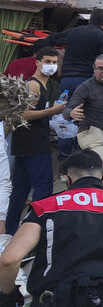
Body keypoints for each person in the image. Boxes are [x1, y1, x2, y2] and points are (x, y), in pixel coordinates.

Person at [0, 151, 103, 307]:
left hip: (54, 299)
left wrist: (8, 293)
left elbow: (9, 259)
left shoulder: (45, 208)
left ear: (67, 180)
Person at [6, 47, 63, 234]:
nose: (51, 66)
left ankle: (11, 231)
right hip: (33, 145)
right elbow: (22, 114)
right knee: (42, 188)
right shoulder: (34, 84)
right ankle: (33, 230)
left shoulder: (44, 84)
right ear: (37, 63)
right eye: (47, 62)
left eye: (54, 62)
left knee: (20, 190)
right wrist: (51, 112)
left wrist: (52, 122)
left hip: (29, 143)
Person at [62, 53, 103, 164]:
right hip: (92, 132)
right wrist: (71, 113)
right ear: (94, 69)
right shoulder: (85, 87)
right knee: (102, 163)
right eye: (100, 68)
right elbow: (67, 111)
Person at [42, 8, 103, 97]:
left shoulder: (73, 31)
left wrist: (54, 61)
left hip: (66, 79)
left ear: (89, 20)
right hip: (88, 82)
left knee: (61, 108)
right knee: (82, 110)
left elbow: (49, 40)